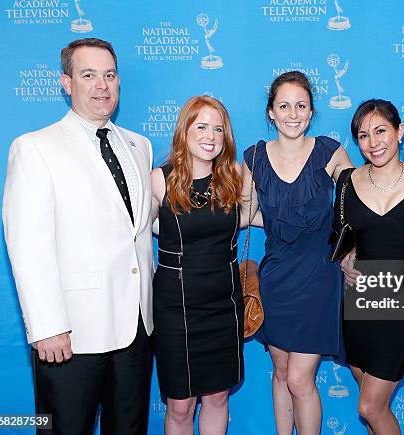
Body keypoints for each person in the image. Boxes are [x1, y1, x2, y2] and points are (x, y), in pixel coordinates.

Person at [2, 38, 154, 434]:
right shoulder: (36, 148)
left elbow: (136, 229)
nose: (102, 85)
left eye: (110, 75)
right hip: (71, 333)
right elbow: (27, 245)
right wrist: (47, 325)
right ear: (66, 83)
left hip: (137, 328)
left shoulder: (140, 146)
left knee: (130, 427)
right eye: (89, 75)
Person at [242, 71, 352, 435]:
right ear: (270, 112)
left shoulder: (329, 151)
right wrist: (275, 222)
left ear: (311, 111)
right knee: (281, 372)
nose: (293, 113)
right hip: (276, 279)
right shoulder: (255, 157)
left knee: (301, 379)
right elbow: (244, 214)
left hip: (319, 278)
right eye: (284, 106)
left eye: (301, 106)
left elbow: (357, 206)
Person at [150, 95, 259, 435]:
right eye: (201, 126)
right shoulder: (159, 179)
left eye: (218, 129)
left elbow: (260, 219)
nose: (210, 135)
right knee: (180, 407)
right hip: (175, 309)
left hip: (223, 306)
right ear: (184, 130)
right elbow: (133, 234)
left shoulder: (236, 177)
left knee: (217, 397)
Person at [335, 99, 404, 434]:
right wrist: (345, 261)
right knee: (375, 406)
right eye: (363, 136)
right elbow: (340, 239)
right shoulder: (346, 182)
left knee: (369, 406)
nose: (373, 143)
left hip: (403, 307)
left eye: (381, 131)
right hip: (358, 306)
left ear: (399, 132)